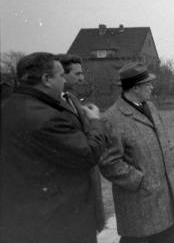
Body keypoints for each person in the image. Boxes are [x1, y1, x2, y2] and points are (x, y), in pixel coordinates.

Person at [0, 52, 108, 243]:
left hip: (24, 217)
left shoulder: (9, 107)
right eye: (60, 76)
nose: (63, 82)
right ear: (46, 79)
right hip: (58, 222)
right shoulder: (46, 117)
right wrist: (95, 123)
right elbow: (88, 154)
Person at [100, 62, 174, 243]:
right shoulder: (112, 119)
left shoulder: (150, 106)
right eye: (148, 84)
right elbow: (109, 164)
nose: (152, 86)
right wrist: (141, 181)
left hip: (165, 201)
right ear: (136, 87)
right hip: (139, 207)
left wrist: (170, 159)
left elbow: (162, 136)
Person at [57, 53, 106, 232]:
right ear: (61, 74)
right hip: (71, 189)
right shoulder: (53, 105)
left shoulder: (72, 99)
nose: (82, 78)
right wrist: (95, 121)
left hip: (86, 183)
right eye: (77, 74)